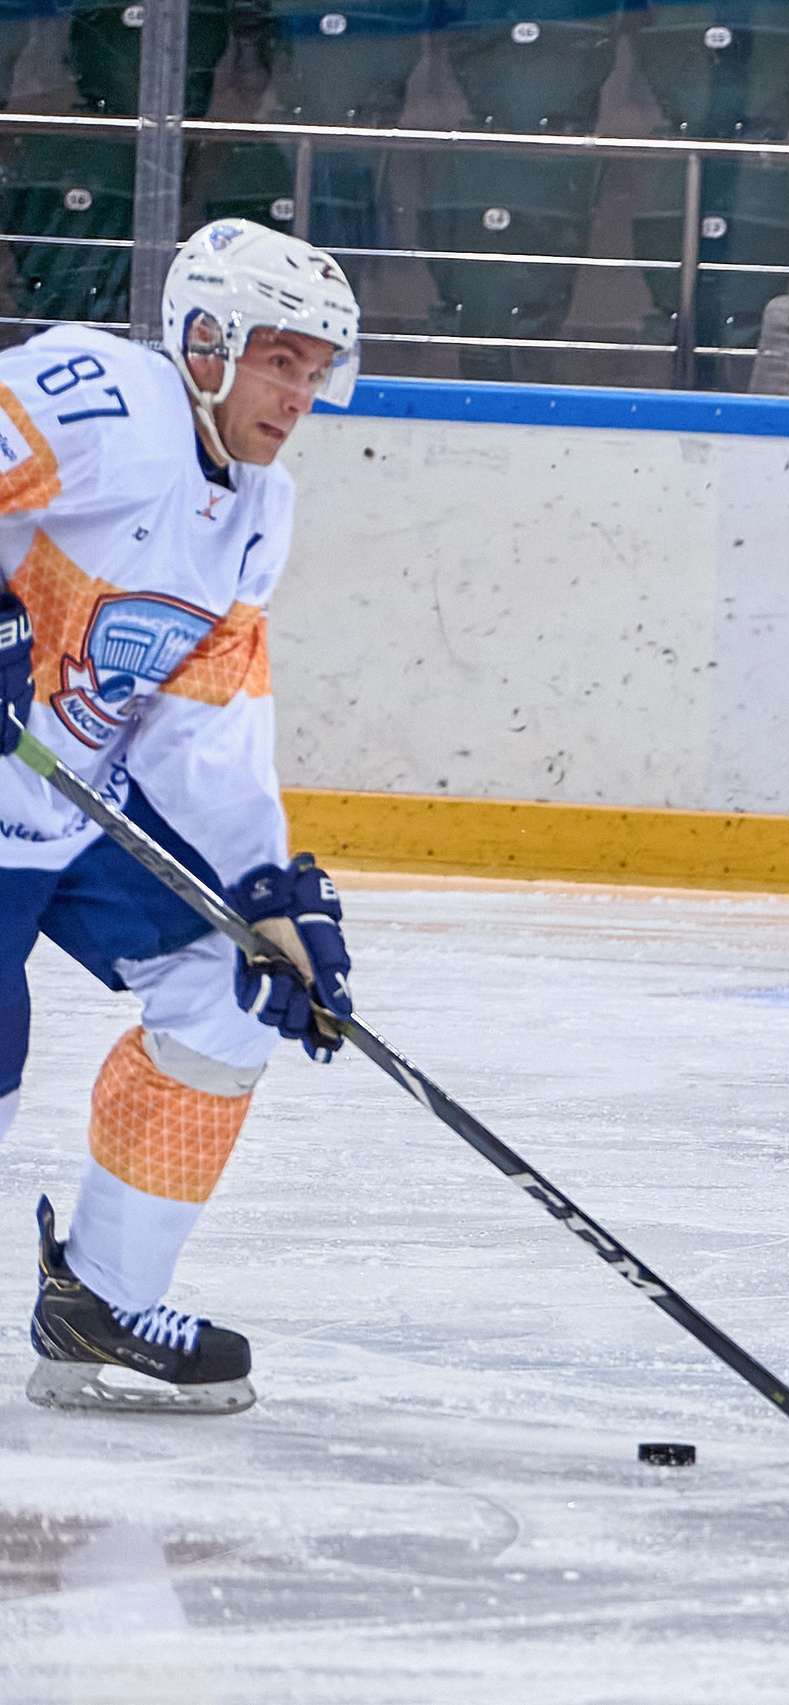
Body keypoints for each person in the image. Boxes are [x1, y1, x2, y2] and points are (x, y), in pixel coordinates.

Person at [4, 219, 365, 1413]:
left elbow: (206, 722)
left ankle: (100, 1298)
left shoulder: (257, 508)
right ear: (203, 341)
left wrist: (268, 890)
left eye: (316, 368)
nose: (297, 391)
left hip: (66, 802)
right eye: (279, 358)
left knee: (231, 980)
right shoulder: (103, 400)